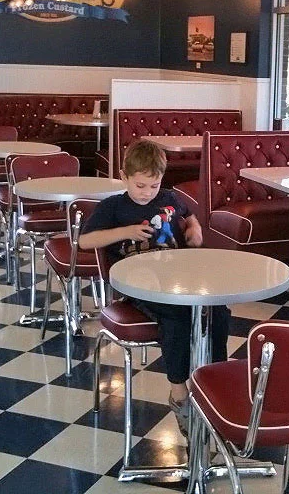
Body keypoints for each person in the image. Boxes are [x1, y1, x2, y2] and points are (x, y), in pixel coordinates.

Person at [78, 139, 230, 437]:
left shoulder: (170, 198)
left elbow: (189, 216)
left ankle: (215, 383)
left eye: (154, 185)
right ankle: (180, 393)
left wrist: (194, 228)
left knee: (218, 311)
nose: (148, 193)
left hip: (178, 277)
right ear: (124, 176)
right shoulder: (113, 207)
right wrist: (127, 232)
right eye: (140, 186)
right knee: (177, 317)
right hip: (138, 285)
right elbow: (84, 241)